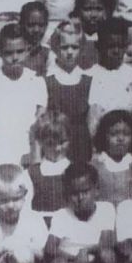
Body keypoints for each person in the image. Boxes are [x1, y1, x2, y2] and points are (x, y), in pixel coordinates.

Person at [40, 162, 118, 263]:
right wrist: (74, 257)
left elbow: (106, 242)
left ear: (96, 190)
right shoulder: (62, 215)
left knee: (108, 256)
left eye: (85, 191)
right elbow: (50, 248)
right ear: (67, 195)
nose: (80, 197)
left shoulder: (106, 209)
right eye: (74, 193)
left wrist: (85, 252)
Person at [0, 23, 47, 165]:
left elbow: (40, 118)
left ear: (28, 50)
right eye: (9, 52)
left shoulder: (36, 81)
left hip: (27, 146)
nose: (15, 57)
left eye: (20, 51)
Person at [87, 18, 132, 135]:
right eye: (110, 46)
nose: (116, 51)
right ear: (98, 46)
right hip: (98, 137)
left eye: (120, 46)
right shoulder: (89, 75)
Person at [46, 21, 93, 162]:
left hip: (82, 143)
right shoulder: (47, 80)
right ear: (55, 48)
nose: (70, 52)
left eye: (75, 47)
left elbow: (92, 120)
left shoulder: (88, 80)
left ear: (82, 49)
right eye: (64, 47)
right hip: (56, 143)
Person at [29, 110, 71, 217]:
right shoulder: (32, 173)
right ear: (40, 142)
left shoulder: (76, 170)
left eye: (62, 142)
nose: (57, 148)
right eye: (51, 143)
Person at [91, 110, 132, 206]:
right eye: (114, 134)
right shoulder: (95, 165)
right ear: (103, 136)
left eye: (126, 134)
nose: (120, 138)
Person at [69, 0, 108, 70]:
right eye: (87, 9)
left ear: (105, 11)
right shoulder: (69, 35)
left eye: (99, 9)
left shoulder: (109, 36)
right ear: (78, 10)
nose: (93, 15)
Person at [20, 1, 52, 76]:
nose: (36, 30)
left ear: (46, 26)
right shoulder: (12, 51)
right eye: (31, 25)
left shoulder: (48, 54)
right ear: (21, 25)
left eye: (41, 25)